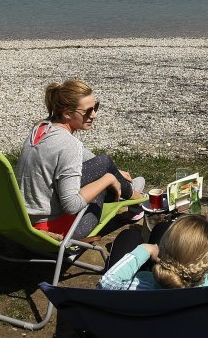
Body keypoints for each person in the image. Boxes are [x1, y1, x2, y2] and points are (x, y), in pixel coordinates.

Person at [16, 79, 145, 239]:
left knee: (104, 163)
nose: (94, 115)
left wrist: (113, 171)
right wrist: (108, 179)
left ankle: (131, 192)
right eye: (88, 111)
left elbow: (83, 155)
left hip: (26, 219)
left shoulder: (42, 127)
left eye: (96, 107)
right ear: (67, 113)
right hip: (55, 229)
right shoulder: (69, 144)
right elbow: (71, 205)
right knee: (101, 186)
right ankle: (139, 199)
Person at [98, 215, 208, 325]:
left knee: (131, 236)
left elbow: (105, 284)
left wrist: (145, 249)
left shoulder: (136, 288)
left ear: (162, 252)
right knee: (161, 228)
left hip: (146, 327)